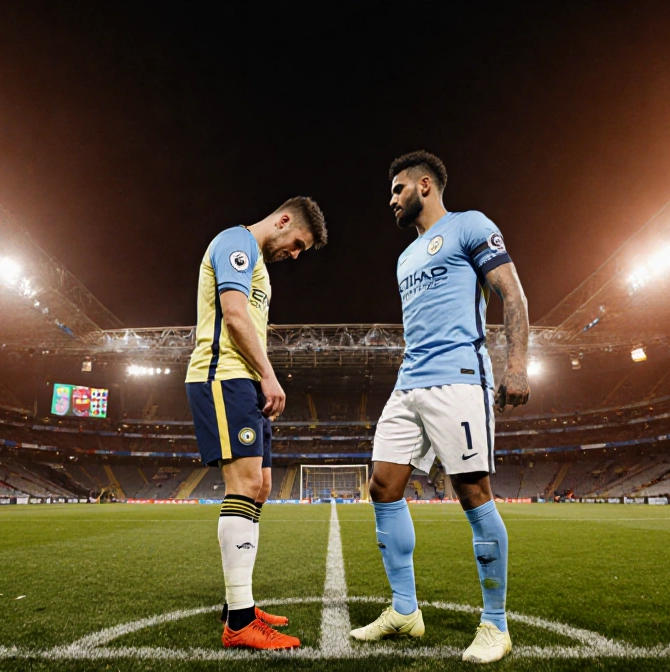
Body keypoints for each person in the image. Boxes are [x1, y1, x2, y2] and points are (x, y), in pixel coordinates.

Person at [350, 151, 530, 663]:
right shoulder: (405, 257)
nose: (391, 199)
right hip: (410, 381)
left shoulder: (470, 225)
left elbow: (511, 295)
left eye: (397, 189)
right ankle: (405, 611)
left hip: (459, 378)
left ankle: (495, 626)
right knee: (383, 484)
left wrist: (518, 365)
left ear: (424, 185)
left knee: (472, 492)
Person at [184, 196, 327, 650]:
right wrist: (269, 374)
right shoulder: (235, 242)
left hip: (243, 381)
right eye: (299, 243)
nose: (296, 254)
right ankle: (240, 623)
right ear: (283, 221)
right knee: (244, 485)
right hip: (224, 376)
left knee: (261, 485)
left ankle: (238, 601)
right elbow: (234, 313)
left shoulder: (258, 268)